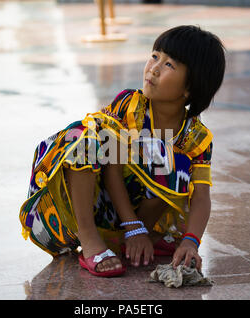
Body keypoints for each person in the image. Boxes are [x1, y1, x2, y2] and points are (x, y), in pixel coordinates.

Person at [19, 25, 226, 277]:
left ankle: (136, 238)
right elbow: (112, 170)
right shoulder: (130, 107)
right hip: (94, 205)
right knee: (84, 137)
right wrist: (131, 225)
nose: (154, 68)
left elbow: (201, 195)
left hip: (134, 217)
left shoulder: (195, 136)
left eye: (169, 64)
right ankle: (92, 243)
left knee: (175, 161)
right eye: (155, 56)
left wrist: (191, 241)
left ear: (190, 88)